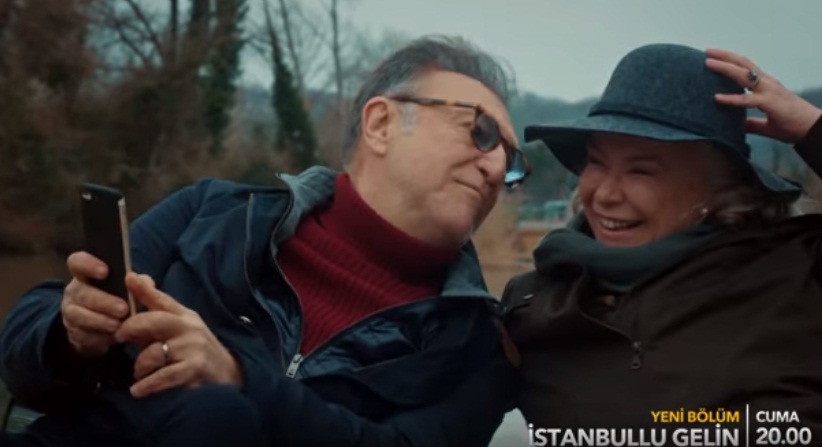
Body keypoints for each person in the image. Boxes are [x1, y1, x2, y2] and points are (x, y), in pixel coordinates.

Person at [0, 35, 530, 447]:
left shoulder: (478, 346)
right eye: (480, 131)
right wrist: (71, 333)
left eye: (510, 159)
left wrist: (239, 377)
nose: (495, 167)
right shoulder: (213, 211)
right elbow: (23, 362)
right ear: (381, 123)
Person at [503, 43, 822, 443]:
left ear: (718, 186)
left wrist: (814, 129)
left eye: (641, 171)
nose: (605, 195)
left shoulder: (797, 274)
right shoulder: (531, 302)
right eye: (597, 162)